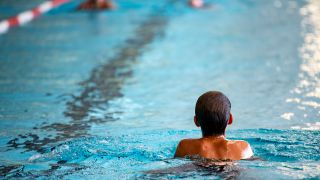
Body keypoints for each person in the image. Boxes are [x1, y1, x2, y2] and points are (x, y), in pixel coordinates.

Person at [174, 91, 253, 160]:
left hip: (198, 169)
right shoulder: (242, 147)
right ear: (230, 119)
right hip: (230, 170)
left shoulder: (185, 146)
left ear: (196, 121)